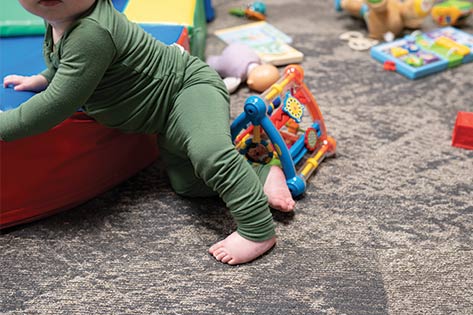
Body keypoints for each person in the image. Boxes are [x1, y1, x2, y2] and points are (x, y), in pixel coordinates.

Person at [0, 0, 295, 265]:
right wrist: (43, 78)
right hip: (162, 117)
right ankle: (261, 174)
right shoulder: (60, 16)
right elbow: (71, 64)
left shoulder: (92, 32)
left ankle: (257, 229)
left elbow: (55, 105)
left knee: (209, 153)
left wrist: (5, 125)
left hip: (186, 89)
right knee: (187, 184)